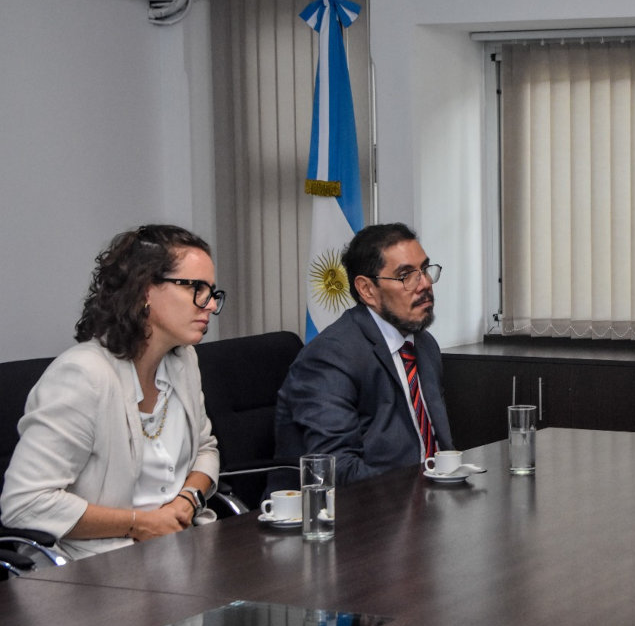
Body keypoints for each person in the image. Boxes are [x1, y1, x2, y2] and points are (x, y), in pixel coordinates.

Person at [1, 225, 222, 560]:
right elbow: (25, 502)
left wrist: (187, 499)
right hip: (98, 570)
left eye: (212, 292)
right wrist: (139, 524)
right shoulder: (83, 376)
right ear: (146, 289)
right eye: (196, 288)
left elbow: (206, 449)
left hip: (179, 553)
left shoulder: (182, 361)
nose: (208, 306)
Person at [273, 223, 454, 486]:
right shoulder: (330, 357)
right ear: (367, 290)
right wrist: (420, 491)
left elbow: (438, 446)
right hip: (356, 512)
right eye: (406, 275)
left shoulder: (424, 345)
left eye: (424, 269)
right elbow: (336, 469)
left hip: (422, 502)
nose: (424, 283)